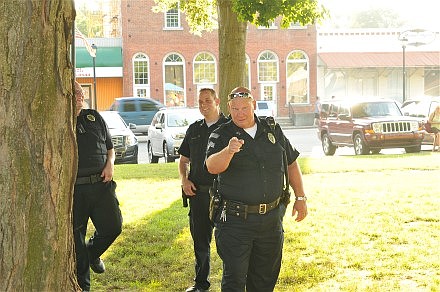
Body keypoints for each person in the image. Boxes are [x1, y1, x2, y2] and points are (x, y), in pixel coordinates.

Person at [205, 86, 308, 291]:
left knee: (264, 281)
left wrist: (301, 197)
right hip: (235, 222)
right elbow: (211, 166)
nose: (240, 113)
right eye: (235, 109)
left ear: (253, 104)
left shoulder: (272, 129)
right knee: (234, 280)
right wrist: (229, 151)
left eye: (245, 107)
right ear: (229, 108)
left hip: (270, 220)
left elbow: (291, 162)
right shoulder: (221, 134)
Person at [73, 81, 123, 291]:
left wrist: (110, 164)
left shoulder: (94, 117)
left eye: (80, 92)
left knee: (113, 227)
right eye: (73, 93)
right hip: (75, 190)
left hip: (102, 185)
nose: (78, 96)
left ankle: (91, 255)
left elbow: (109, 149)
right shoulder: (57, 121)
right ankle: (83, 287)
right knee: (76, 240)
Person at [178, 88, 228, 292]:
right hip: (198, 194)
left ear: (217, 101)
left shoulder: (230, 127)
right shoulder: (194, 129)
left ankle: (231, 283)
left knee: (228, 241)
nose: (203, 105)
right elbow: (183, 160)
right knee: (200, 241)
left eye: (207, 100)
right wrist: (184, 180)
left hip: (225, 194)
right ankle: (201, 284)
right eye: (200, 102)